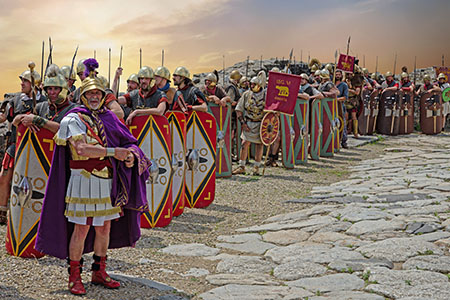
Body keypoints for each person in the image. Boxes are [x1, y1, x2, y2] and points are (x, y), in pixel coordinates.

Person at [35, 66, 150, 295]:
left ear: (103, 96)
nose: (95, 97)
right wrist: (112, 152)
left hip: (106, 181)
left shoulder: (109, 117)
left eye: (98, 93)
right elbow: (81, 148)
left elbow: (129, 142)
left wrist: (130, 156)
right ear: (83, 96)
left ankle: (99, 271)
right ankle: (74, 276)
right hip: (83, 181)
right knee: (81, 228)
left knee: (104, 227)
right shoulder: (73, 118)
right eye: (90, 94)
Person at [0, 65, 46, 224]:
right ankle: (2, 211)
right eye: (22, 80)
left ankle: (32, 214)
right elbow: (6, 118)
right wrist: (17, 118)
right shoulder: (15, 99)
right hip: (16, 144)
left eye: (25, 81)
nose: (22, 83)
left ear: (34, 84)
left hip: (37, 148)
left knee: (33, 182)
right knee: (5, 176)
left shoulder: (44, 101)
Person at [232, 73, 266, 176]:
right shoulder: (246, 94)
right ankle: (242, 166)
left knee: (259, 145)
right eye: (250, 84)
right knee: (244, 144)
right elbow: (239, 109)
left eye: (253, 84)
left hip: (261, 124)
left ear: (259, 84)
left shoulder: (266, 95)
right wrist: (242, 123)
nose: (251, 86)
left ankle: (256, 167)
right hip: (249, 123)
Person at [335, 70, 349, 148]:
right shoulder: (331, 84)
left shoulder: (344, 85)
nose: (337, 76)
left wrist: (337, 99)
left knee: (341, 123)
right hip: (331, 107)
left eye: (339, 75)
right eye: (336, 74)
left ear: (341, 75)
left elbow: (345, 97)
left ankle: (343, 141)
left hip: (340, 106)